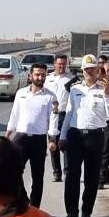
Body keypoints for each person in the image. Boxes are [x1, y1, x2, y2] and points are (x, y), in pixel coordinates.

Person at [59, 54, 109, 217]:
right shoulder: (75, 89)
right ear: (82, 71)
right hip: (75, 136)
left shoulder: (104, 90)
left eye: (93, 69)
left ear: (98, 71)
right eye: (86, 69)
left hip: (95, 137)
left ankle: (86, 211)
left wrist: (106, 94)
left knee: (92, 178)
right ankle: (71, 212)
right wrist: (62, 136)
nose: (89, 72)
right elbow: (68, 114)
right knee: (72, 176)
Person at [5, 62, 59, 208]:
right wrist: (7, 135)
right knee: (13, 172)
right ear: (30, 76)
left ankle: (35, 207)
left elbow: (53, 120)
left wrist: (52, 139)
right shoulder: (21, 93)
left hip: (38, 141)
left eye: (43, 75)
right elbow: (14, 115)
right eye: (37, 74)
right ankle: (22, 200)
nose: (40, 77)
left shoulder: (51, 97)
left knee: (37, 176)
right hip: (20, 139)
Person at [44, 54, 71, 182]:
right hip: (51, 116)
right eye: (59, 64)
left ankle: (67, 172)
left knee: (65, 145)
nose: (61, 66)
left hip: (65, 115)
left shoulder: (71, 79)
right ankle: (57, 173)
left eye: (64, 64)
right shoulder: (47, 79)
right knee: (53, 144)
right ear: (55, 64)